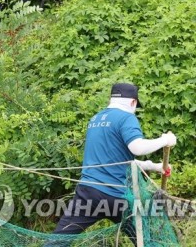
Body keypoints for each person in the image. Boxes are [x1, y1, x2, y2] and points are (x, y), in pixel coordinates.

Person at [50, 83, 176, 245]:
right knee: (147, 240)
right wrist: (165, 140)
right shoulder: (126, 118)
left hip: (87, 194)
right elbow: (137, 147)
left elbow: (120, 159)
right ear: (133, 102)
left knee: (58, 240)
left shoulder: (95, 120)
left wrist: (155, 166)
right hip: (117, 197)